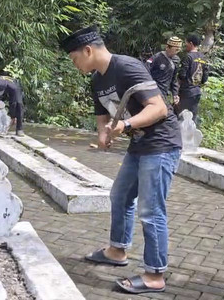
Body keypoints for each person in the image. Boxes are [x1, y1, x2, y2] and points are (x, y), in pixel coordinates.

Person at [60, 26, 181, 295]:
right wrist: (103, 134)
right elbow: (103, 117)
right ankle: (116, 250)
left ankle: (154, 275)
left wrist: (125, 125)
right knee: (121, 196)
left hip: (161, 144)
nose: (74, 64)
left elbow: (159, 108)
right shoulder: (97, 80)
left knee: (151, 211)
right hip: (139, 145)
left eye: (74, 58)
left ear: (88, 50)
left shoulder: (127, 67)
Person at [177, 34, 209, 124]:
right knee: (192, 119)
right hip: (197, 92)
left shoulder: (188, 57)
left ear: (191, 43)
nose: (185, 45)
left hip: (186, 92)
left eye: (186, 43)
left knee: (181, 117)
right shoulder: (203, 57)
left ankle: (180, 137)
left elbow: (182, 75)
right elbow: (205, 78)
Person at [145, 36, 181, 104]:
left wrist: (175, 94)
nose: (176, 52)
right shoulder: (157, 57)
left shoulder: (176, 60)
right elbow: (146, 70)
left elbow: (174, 78)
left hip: (164, 93)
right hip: (153, 91)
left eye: (178, 50)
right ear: (167, 47)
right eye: (175, 50)